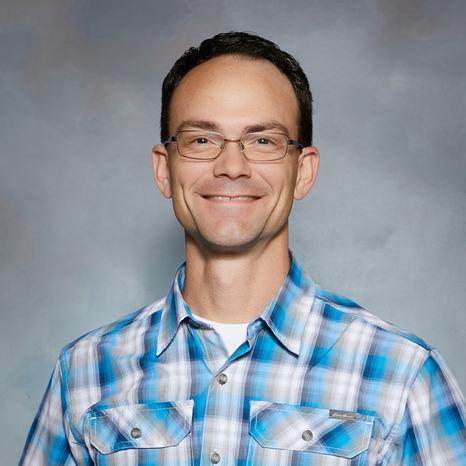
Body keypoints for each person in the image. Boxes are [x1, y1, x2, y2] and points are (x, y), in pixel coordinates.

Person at [20, 31, 465, 466]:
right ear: (164, 169)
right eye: (201, 140)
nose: (231, 166)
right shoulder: (84, 373)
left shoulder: (403, 375)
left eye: (263, 141)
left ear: (303, 172)